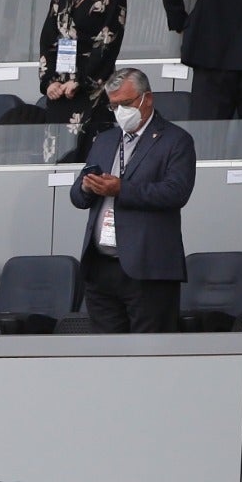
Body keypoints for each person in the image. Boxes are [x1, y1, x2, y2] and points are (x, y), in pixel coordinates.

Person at [70, 69, 197, 333]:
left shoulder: (176, 140)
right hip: (101, 267)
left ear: (146, 98)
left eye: (125, 104)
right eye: (114, 105)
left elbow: (176, 192)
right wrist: (86, 187)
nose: (119, 111)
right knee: (105, 356)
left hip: (147, 267)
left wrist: (121, 189)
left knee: (149, 355)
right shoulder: (105, 140)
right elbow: (77, 197)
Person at [38, 0, 127, 155]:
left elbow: (108, 41)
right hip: (59, 92)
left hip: (91, 91)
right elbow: (48, 40)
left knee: (91, 160)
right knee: (58, 163)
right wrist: (49, 83)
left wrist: (82, 81)